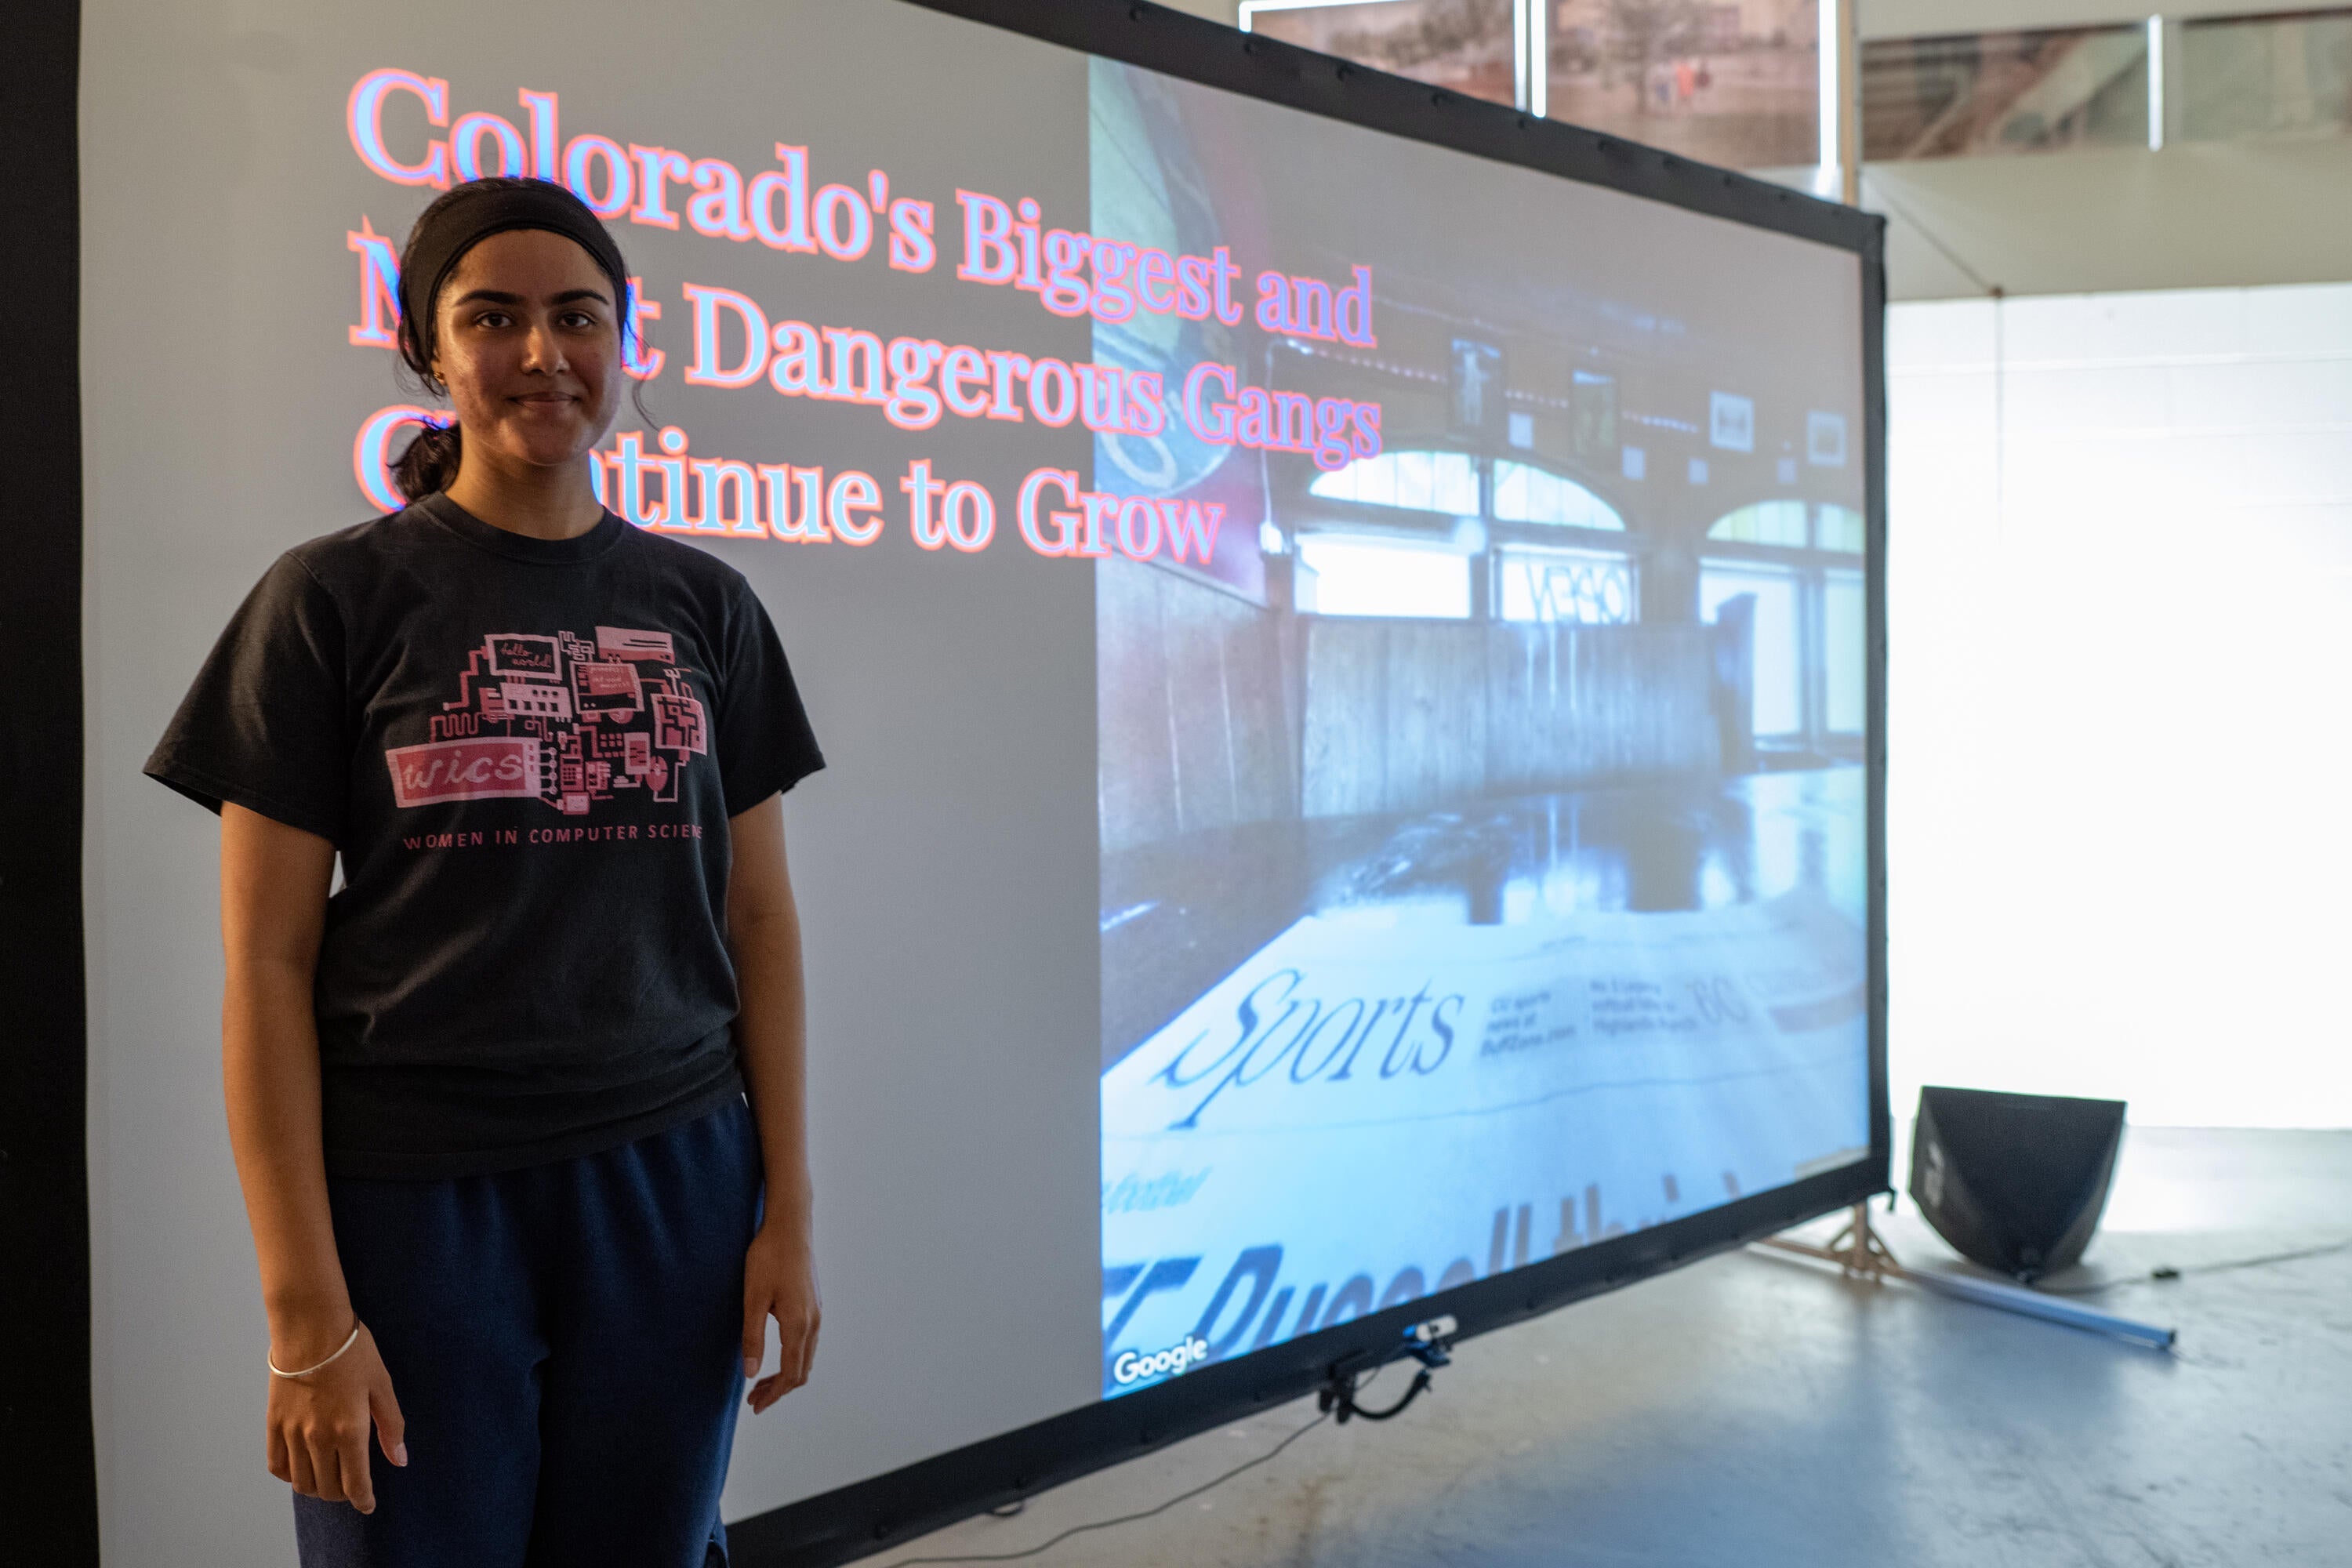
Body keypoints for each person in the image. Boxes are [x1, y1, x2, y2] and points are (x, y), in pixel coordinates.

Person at [145, 176, 825, 1567]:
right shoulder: (327, 601)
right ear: (427, 350)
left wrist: (789, 1214)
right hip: (416, 1200)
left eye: (578, 317)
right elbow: (265, 968)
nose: (540, 353)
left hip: (676, 1183)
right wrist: (301, 1318)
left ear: (623, 343)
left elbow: (757, 918)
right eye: (492, 317)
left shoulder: (706, 605)